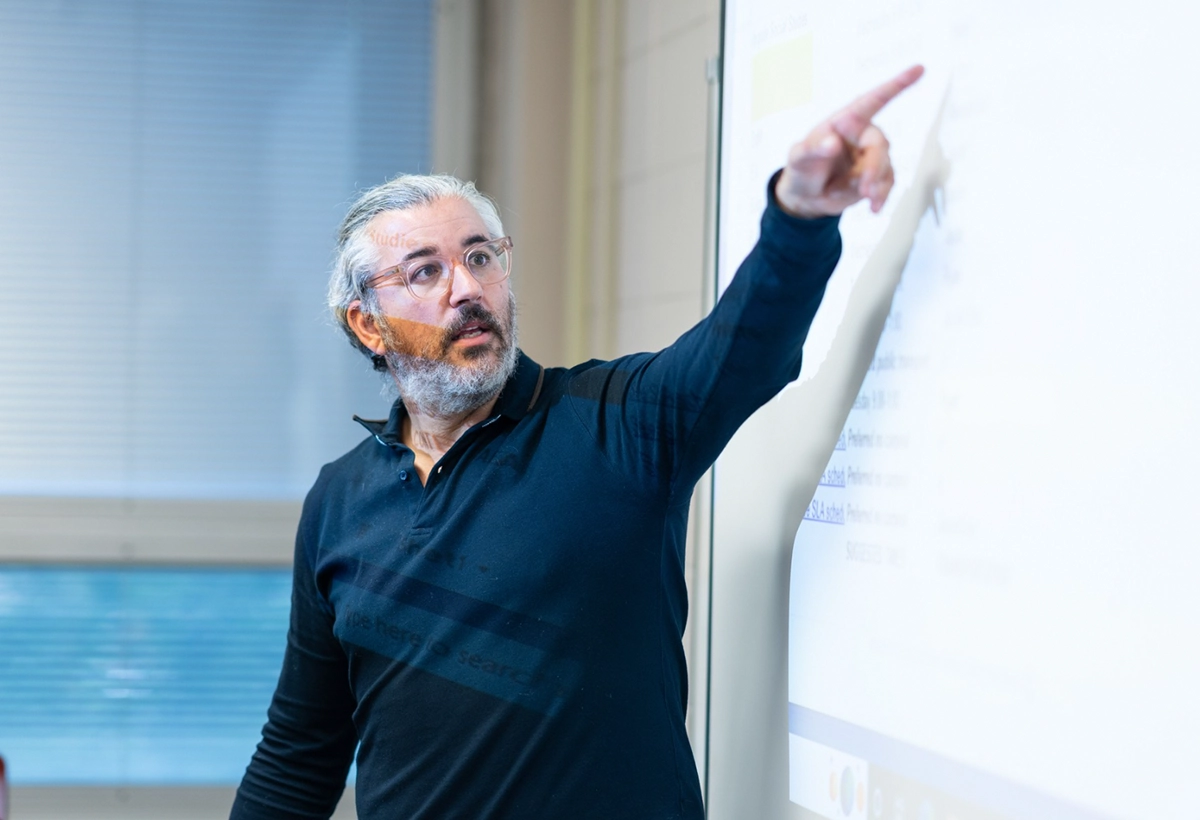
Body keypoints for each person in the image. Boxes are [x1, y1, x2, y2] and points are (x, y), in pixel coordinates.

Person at [230, 65, 925, 820]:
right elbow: (301, 750)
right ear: (367, 324)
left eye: (481, 256)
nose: (466, 289)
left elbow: (745, 348)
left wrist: (800, 216)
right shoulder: (339, 498)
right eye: (425, 271)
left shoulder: (617, 423)